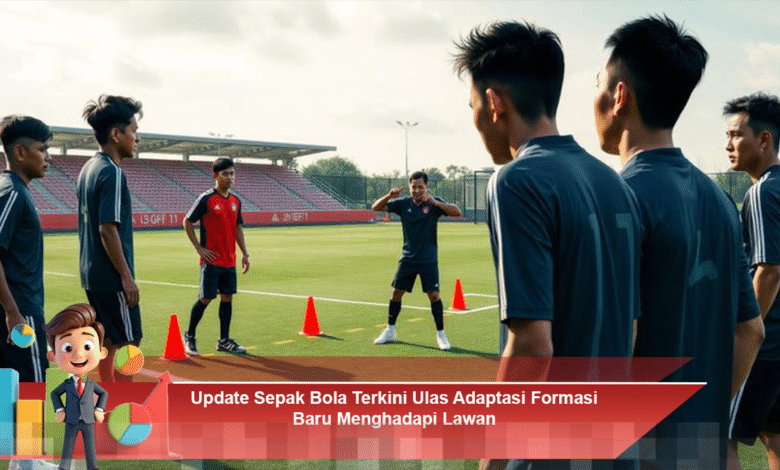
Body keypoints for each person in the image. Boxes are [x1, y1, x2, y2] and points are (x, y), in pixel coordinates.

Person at [454, 21, 641, 470]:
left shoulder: (516, 181)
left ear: (494, 103)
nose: (475, 119)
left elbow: (533, 346)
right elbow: (630, 328)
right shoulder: (616, 183)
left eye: (473, 105)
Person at [593, 16, 764, 469]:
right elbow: (751, 330)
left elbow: (616, 343)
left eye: (598, 85)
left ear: (619, 96)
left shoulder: (617, 199)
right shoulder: (721, 201)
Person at [726, 92, 780, 470]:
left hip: (764, 344)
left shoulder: (762, 192)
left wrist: (749, 332)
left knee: (718, 437)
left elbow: (770, 270)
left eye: (735, 135)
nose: (728, 144)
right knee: (774, 438)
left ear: (763, 139)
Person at [78, 94, 143, 382]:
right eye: (134, 131)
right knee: (130, 341)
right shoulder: (112, 172)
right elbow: (107, 229)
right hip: (111, 276)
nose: (137, 138)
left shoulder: (88, 169)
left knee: (109, 340)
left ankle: (109, 397)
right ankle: (124, 403)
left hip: (91, 274)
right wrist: (126, 277)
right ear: (116, 135)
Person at [372, 171, 461, 350]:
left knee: (434, 295)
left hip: (428, 258)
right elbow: (376, 207)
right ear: (410, 187)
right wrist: (389, 195)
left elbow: (457, 212)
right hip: (408, 258)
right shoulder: (403, 203)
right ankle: (390, 330)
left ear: (426, 187)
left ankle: (441, 334)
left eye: (420, 187)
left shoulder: (434, 203)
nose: (417, 190)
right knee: (396, 293)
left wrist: (436, 203)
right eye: (414, 187)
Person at [0, 116, 51, 383]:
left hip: (18, 309)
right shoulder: (13, 193)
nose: (48, 157)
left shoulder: (14, 190)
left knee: (9, 391)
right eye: (42, 149)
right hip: (21, 312)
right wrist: (13, 312)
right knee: (32, 389)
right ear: (20, 152)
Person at [183, 157, 250, 355]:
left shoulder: (236, 201)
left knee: (227, 298)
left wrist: (245, 253)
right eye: (225, 174)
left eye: (232, 173)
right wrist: (199, 248)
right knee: (205, 298)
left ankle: (224, 341)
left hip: (229, 261)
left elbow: (237, 229)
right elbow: (187, 222)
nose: (230, 177)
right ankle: (189, 336)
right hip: (211, 261)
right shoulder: (206, 199)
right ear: (215, 176)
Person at [45, 304, 108, 470]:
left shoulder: (91, 384)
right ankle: (64, 466)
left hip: (88, 419)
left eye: (88, 347)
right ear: (53, 356)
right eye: (68, 348)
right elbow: (54, 394)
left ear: (102, 352)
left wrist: (99, 409)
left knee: (90, 445)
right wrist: (60, 410)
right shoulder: (66, 384)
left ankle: (92, 466)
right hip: (71, 420)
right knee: (68, 444)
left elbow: (103, 394)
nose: (78, 354)